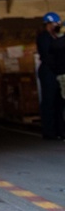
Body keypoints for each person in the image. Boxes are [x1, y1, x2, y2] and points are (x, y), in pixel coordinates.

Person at [36, 11, 65, 140]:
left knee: (60, 102)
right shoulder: (44, 38)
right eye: (55, 24)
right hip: (49, 71)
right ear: (48, 24)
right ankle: (49, 131)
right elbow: (48, 55)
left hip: (58, 71)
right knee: (49, 100)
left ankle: (60, 130)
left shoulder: (57, 37)